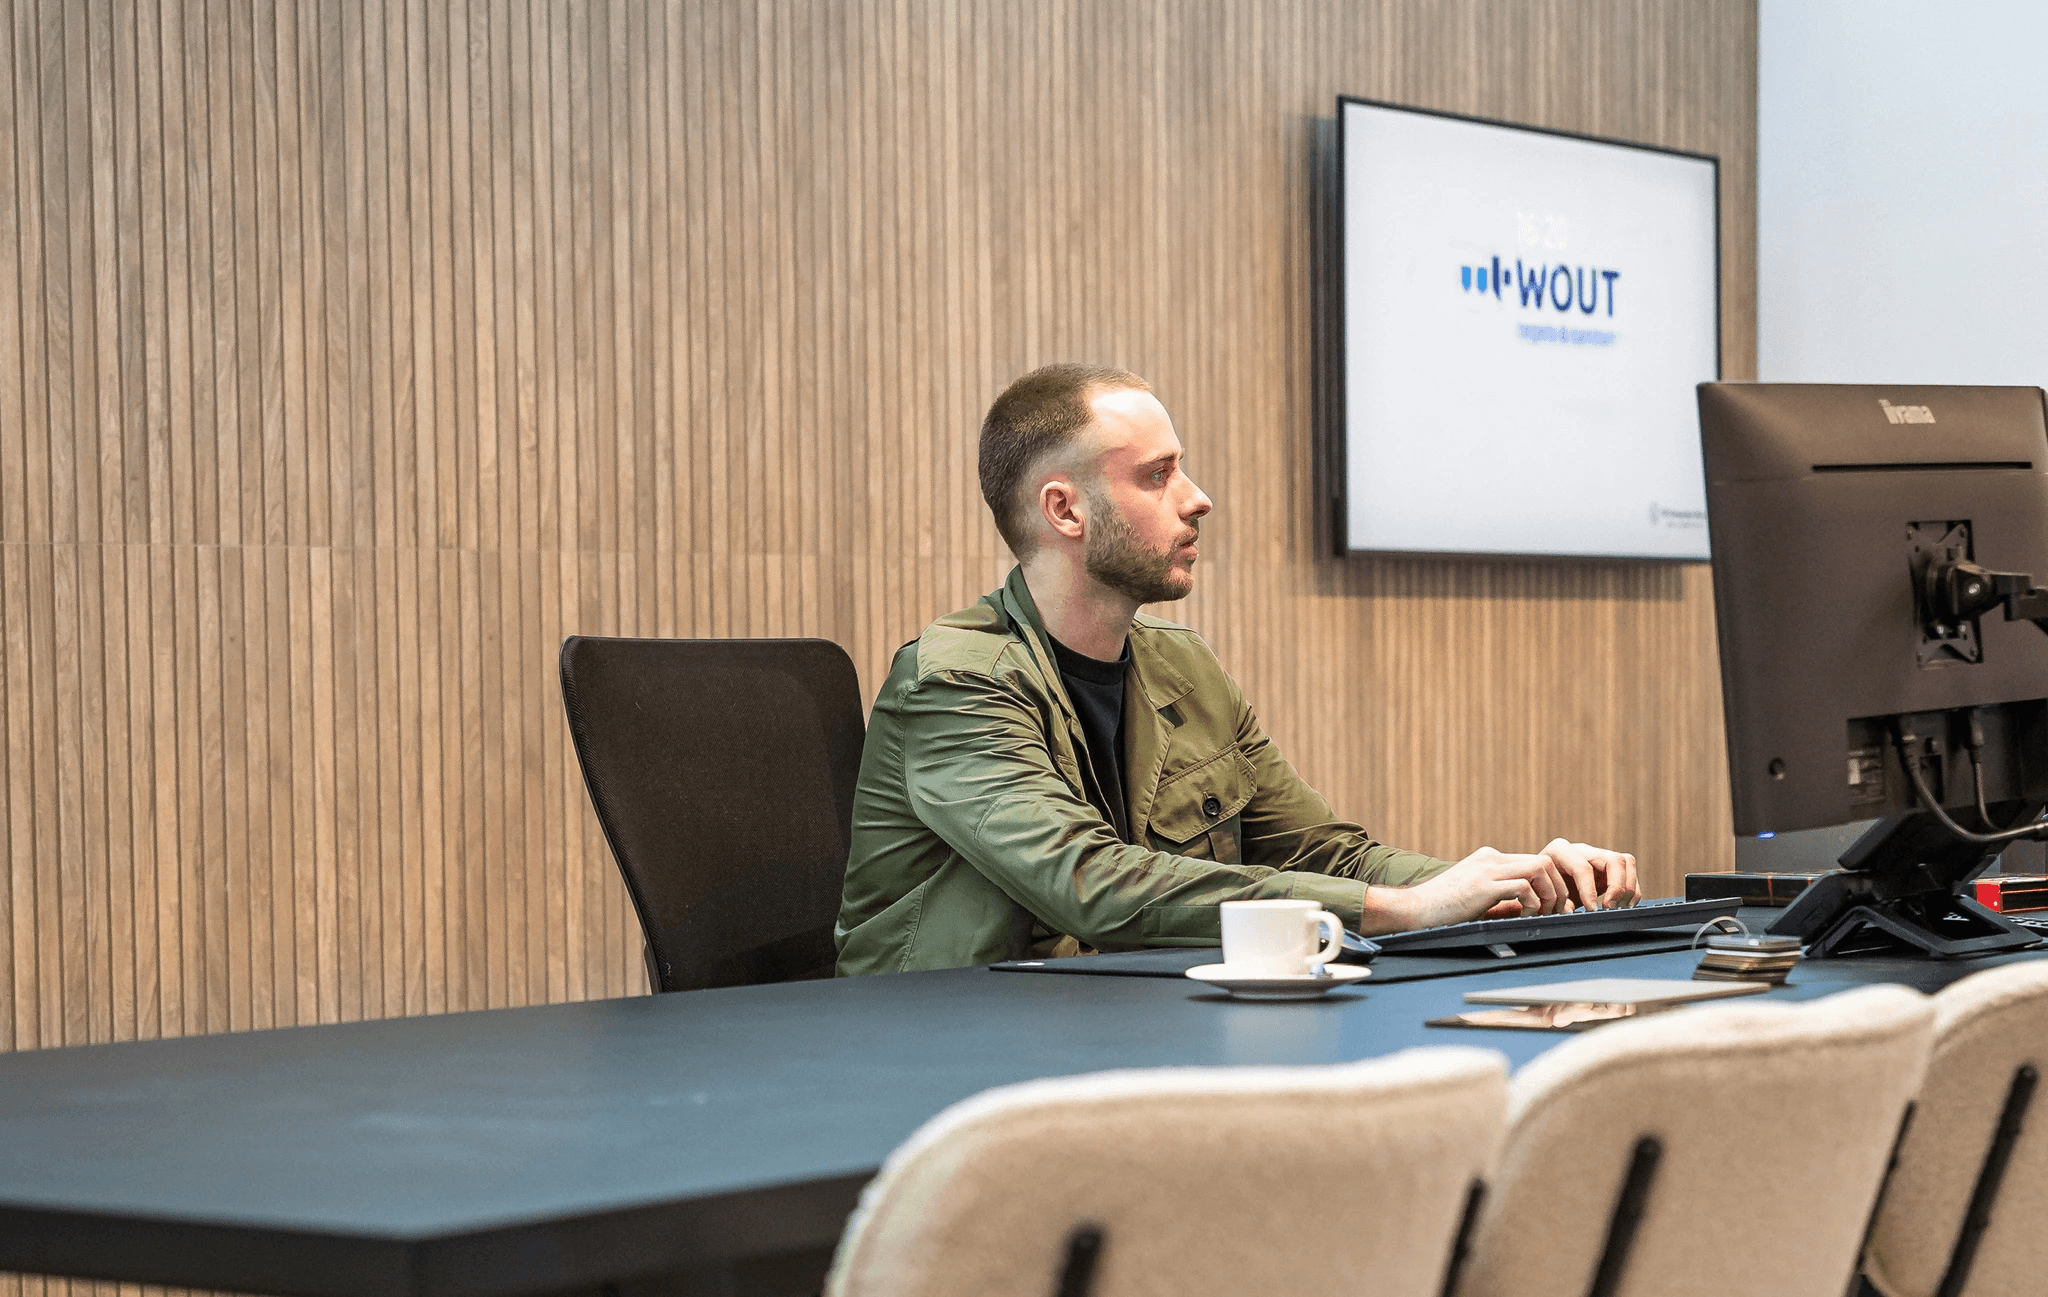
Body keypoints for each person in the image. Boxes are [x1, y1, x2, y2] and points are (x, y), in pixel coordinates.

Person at [833, 363, 1639, 975]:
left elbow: (1327, 856)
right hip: (952, 1053)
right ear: (1065, 510)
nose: (1198, 498)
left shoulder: (1185, 667)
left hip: (1126, 1025)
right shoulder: (951, 679)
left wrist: (1507, 882)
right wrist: (1400, 909)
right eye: (1156, 475)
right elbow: (1090, 882)